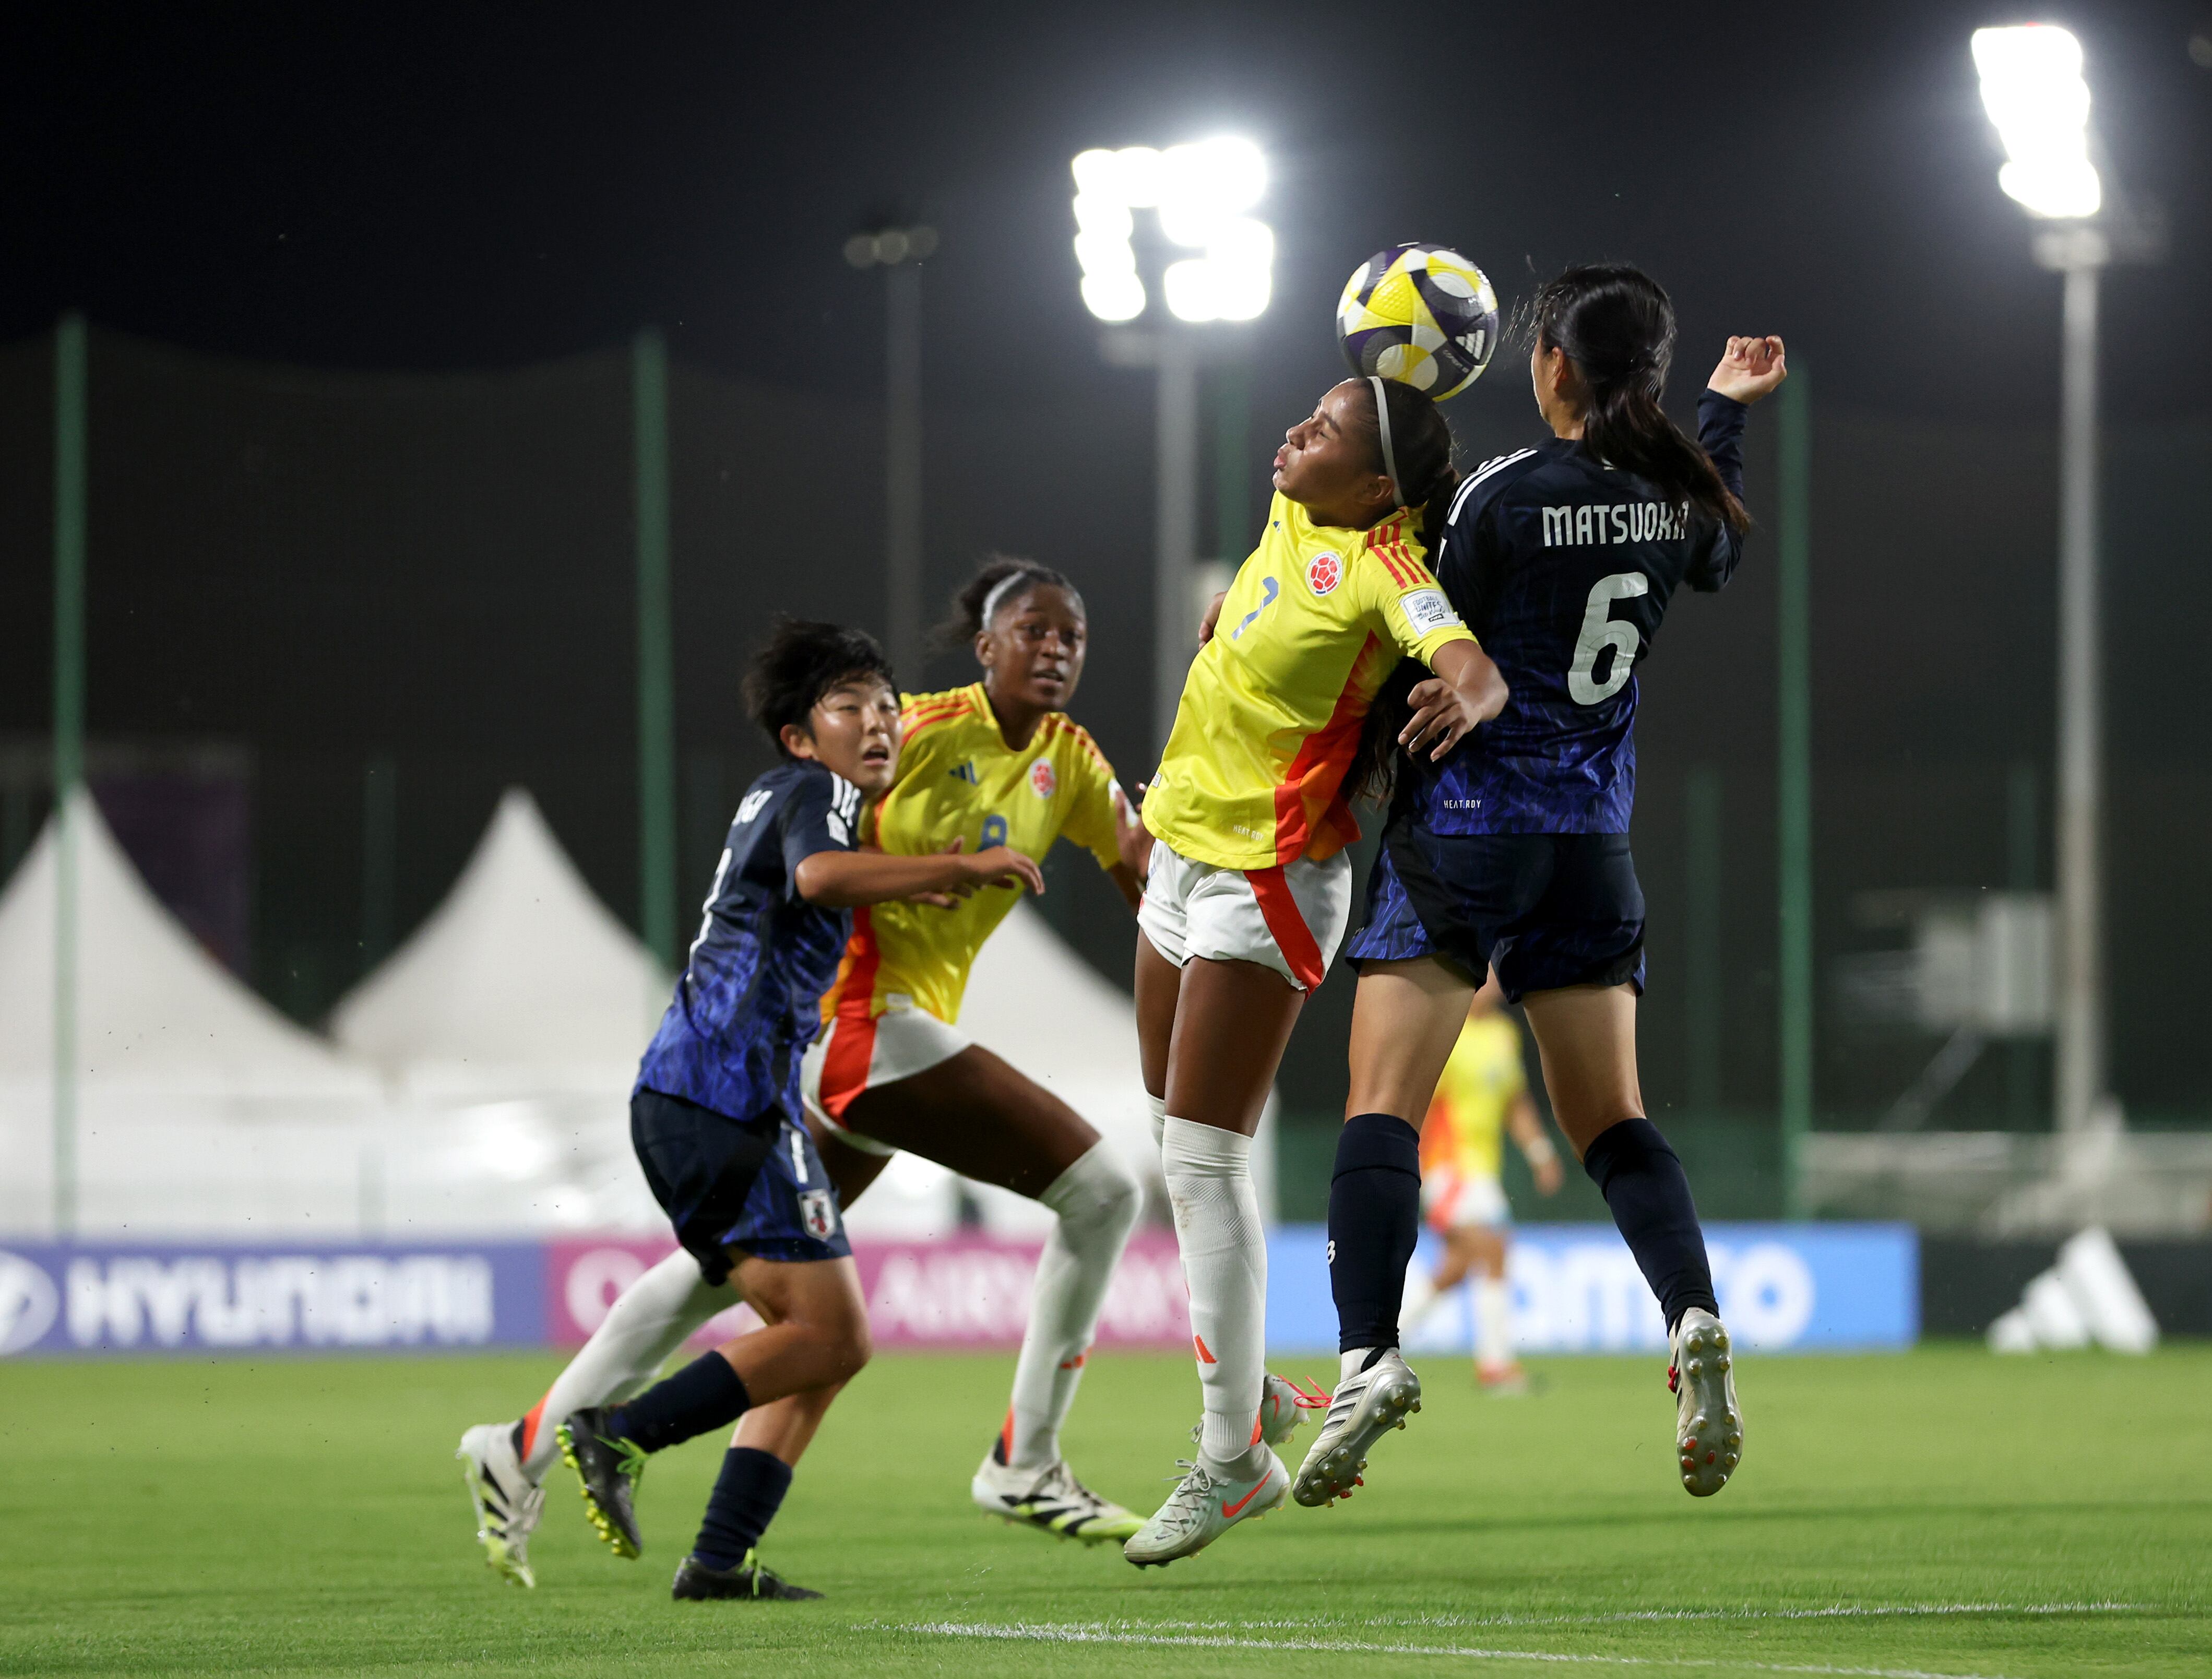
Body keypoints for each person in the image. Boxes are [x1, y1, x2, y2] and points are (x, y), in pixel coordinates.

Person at [458, 566, 1321, 1582]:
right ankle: (1025, 1460)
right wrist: (941, 867)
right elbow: (811, 854)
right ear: (983, 644)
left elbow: (1149, 880)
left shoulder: (1069, 761)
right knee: (1100, 1194)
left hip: (860, 1060)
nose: (1054, 648)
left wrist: (1219, 800)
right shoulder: (908, 729)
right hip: (856, 1032)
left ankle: (547, 1462)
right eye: (1030, 629)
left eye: (1073, 635)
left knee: (740, 1293)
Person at [1304, 263, 1785, 1509]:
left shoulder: (1500, 495)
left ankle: (1365, 1359)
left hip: (1461, 835)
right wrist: (1723, 410)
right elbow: (1721, 537)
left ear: (1552, 368)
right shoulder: (1678, 500)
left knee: (1380, 1109)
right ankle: (1688, 1317)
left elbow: (1414, 628)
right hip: (1591, 849)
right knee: (1613, 1124)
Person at [458, 619, 1042, 1600]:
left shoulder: (814, 803)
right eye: (848, 704)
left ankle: (710, 1552)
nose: (878, 721)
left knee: (820, 1343)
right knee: (827, 1336)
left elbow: (817, 889)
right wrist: (954, 868)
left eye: (887, 704)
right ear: (797, 736)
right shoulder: (807, 795)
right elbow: (817, 878)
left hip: (730, 1098)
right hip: (717, 1096)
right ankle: (614, 1434)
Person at [1122, 374, 1508, 1568]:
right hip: (1180, 845)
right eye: (1308, 412)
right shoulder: (1293, 509)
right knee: (1168, 1133)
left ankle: (1231, 1459)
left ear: (1380, 487)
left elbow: (1469, 663)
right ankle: (1253, 1395)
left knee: (1200, 1155)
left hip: (1272, 870)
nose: (1295, 431)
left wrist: (1469, 689)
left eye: (1327, 429)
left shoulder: (1389, 565)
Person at [1397, 976, 1565, 1393]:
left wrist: (1540, 1153)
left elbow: (1515, 1101)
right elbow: (1419, 1100)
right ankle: (1495, 1366)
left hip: (1483, 1170)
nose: (1492, 981)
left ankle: (1380, 1340)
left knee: (1456, 1268)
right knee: (1493, 1248)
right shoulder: (1445, 1033)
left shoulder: (1505, 1035)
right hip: (1447, 1166)